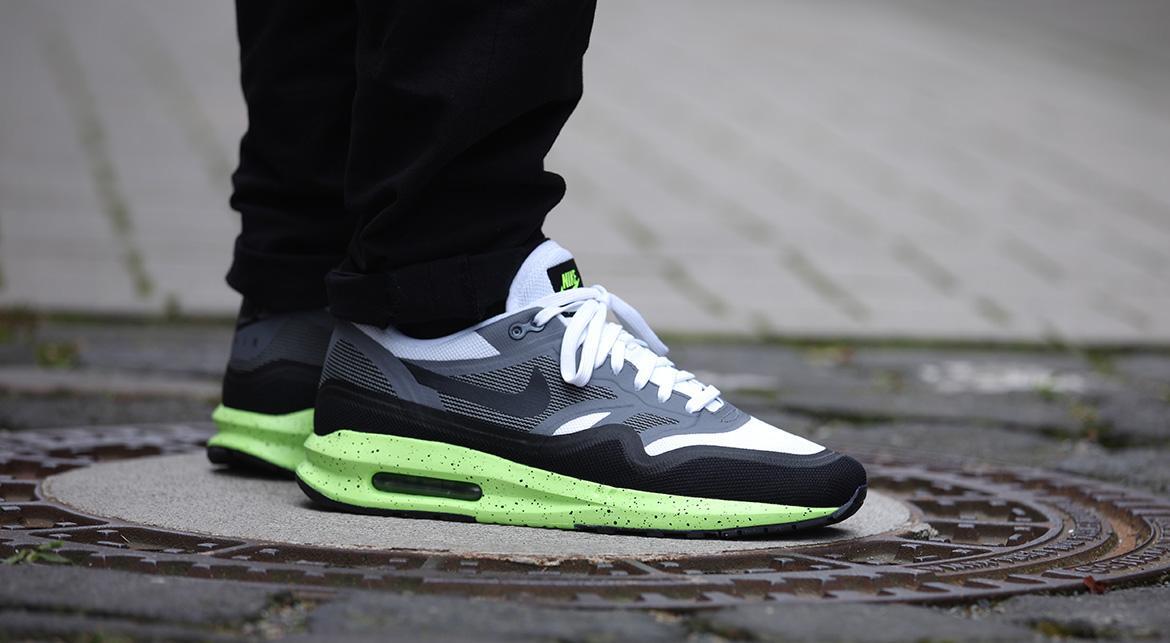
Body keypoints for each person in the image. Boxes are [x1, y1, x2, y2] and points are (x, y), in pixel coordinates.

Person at [209, 0, 867, 536]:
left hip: (284, 285)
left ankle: (299, 311)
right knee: (451, 239)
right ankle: (454, 303)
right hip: (438, 297)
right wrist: (455, 269)